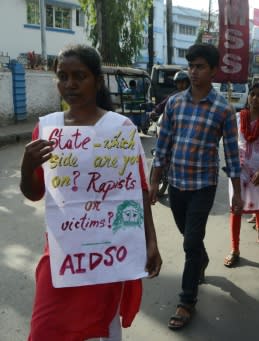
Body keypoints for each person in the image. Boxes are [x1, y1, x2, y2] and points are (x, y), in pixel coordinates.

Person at [20, 44, 162, 340]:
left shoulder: (120, 129)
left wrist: (150, 241)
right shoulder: (47, 129)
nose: (70, 84)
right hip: (62, 255)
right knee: (45, 329)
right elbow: (34, 194)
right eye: (63, 76)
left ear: (97, 81)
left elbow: (137, 191)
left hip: (107, 255)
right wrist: (27, 166)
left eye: (79, 76)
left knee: (99, 329)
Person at [149, 43, 243, 330]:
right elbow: (162, 145)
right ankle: (201, 258)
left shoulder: (224, 110)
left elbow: (232, 153)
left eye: (200, 66)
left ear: (213, 71)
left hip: (203, 185)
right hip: (176, 184)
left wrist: (238, 191)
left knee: (190, 241)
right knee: (188, 236)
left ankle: (186, 301)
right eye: (191, 66)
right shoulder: (175, 103)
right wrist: (154, 180)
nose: (193, 72)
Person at [224, 84, 259, 267]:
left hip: (258, 168)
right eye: (252, 94)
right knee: (236, 207)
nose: (255, 98)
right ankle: (235, 249)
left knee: (257, 203)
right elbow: (231, 142)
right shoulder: (239, 118)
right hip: (238, 170)